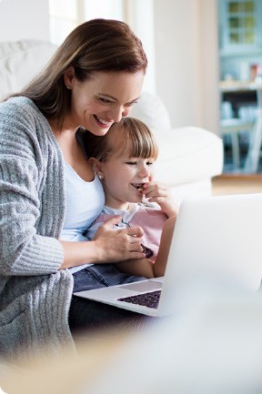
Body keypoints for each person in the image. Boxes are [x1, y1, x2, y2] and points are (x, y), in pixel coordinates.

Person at [0, 18, 150, 360]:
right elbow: (11, 248)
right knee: (154, 335)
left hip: (103, 275)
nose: (117, 116)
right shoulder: (15, 123)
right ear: (70, 77)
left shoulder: (90, 132)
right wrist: (101, 251)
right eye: (106, 100)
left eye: (129, 104)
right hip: (45, 290)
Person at [82, 117, 178, 279]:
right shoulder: (107, 230)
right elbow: (153, 276)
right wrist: (174, 223)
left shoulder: (154, 208)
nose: (145, 173)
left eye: (149, 163)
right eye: (132, 163)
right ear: (98, 167)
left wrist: (173, 209)